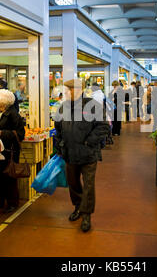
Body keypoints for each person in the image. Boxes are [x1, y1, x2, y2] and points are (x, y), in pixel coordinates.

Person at [54, 79, 110, 232]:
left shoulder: (92, 106)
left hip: (88, 154)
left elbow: (104, 126)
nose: (66, 93)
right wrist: (60, 145)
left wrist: (89, 142)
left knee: (89, 185)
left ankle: (86, 215)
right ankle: (78, 207)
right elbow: (57, 129)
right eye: (66, 90)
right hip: (70, 153)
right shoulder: (63, 107)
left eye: (69, 90)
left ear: (79, 90)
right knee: (73, 183)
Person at [0, 89, 25, 213]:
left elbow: (20, 134)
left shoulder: (14, 115)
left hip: (10, 150)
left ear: (3, 103)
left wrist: (2, 133)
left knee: (9, 176)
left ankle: (12, 203)